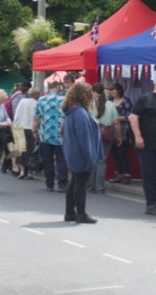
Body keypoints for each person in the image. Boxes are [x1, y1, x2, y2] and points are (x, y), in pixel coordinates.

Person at [129, 77, 156, 215]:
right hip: (149, 145)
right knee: (150, 174)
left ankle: (154, 200)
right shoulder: (146, 99)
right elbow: (133, 117)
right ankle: (151, 203)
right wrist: (138, 136)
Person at [62, 82, 102, 223]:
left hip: (73, 152)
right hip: (81, 155)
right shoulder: (80, 113)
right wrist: (90, 157)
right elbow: (85, 138)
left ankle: (70, 213)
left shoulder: (72, 111)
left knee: (74, 182)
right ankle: (81, 213)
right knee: (80, 184)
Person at [34, 81, 68, 192]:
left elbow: (36, 118)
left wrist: (34, 131)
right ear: (58, 87)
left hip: (46, 135)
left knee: (47, 160)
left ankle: (49, 183)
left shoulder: (41, 100)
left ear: (48, 88)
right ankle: (62, 183)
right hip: (60, 136)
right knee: (61, 160)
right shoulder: (64, 100)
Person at [87, 83, 117, 194]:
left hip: (92, 134)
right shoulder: (110, 104)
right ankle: (99, 187)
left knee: (92, 159)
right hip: (106, 134)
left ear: (94, 91)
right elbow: (116, 122)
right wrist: (118, 136)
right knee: (102, 161)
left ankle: (89, 186)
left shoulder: (89, 104)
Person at [108, 83, 134, 184]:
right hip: (111, 130)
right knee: (115, 153)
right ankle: (119, 174)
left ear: (119, 90)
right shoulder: (109, 102)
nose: (112, 92)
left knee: (123, 153)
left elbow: (129, 116)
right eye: (110, 90)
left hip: (124, 130)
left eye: (114, 90)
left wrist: (116, 118)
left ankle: (127, 175)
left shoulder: (126, 101)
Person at [14, 87, 40, 179]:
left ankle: (21, 171)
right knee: (32, 150)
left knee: (21, 150)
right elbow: (38, 117)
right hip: (32, 129)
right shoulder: (37, 104)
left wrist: (15, 126)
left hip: (21, 127)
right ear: (37, 95)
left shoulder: (22, 102)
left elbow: (17, 115)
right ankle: (30, 172)